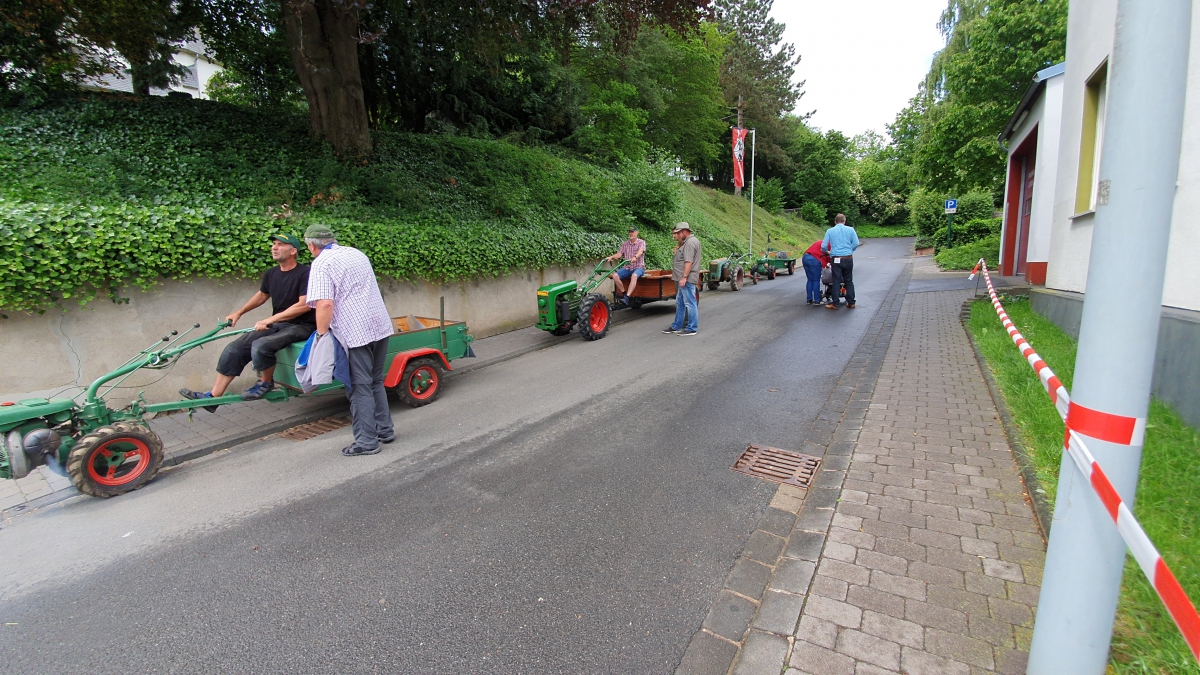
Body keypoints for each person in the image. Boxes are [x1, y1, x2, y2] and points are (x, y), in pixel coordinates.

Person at [180, 234, 316, 409]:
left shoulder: (305, 273)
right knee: (234, 348)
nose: (274, 247)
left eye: (280, 244)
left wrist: (269, 319)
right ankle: (213, 397)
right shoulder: (271, 273)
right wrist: (239, 312)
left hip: (302, 325)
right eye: (274, 244)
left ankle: (266, 383)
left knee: (262, 345)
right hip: (280, 324)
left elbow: (304, 305)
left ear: (293, 251)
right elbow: (261, 296)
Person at [303, 224, 397, 457]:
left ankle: (366, 442)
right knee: (375, 381)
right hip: (379, 325)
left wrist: (321, 335)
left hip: (356, 332)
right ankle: (384, 430)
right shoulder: (356, 253)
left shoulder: (321, 263)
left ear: (311, 245)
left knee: (358, 387)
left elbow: (324, 303)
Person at [663, 222, 701, 336]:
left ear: (685, 231)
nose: (677, 235)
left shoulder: (690, 243)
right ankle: (677, 326)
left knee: (690, 303)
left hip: (687, 279)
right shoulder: (688, 242)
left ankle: (692, 328)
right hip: (683, 279)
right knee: (680, 302)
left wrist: (684, 277)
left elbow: (688, 262)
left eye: (678, 232)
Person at [821, 214, 860, 309]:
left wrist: (828, 252)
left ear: (835, 221)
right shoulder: (850, 230)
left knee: (836, 280)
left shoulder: (830, 231)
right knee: (848, 280)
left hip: (836, 258)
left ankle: (835, 303)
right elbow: (856, 243)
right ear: (844, 221)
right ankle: (851, 302)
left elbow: (823, 246)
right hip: (848, 258)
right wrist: (849, 250)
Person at [607, 226, 646, 304]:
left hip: (639, 267)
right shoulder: (625, 244)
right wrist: (611, 257)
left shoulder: (641, 242)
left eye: (632, 232)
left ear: (637, 232)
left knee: (634, 275)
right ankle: (624, 293)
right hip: (628, 268)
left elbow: (640, 251)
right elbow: (619, 254)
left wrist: (635, 257)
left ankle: (627, 297)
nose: (630, 233)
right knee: (615, 276)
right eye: (629, 232)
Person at [802, 238, 830, 305]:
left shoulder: (819, 242)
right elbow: (830, 257)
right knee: (815, 280)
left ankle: (809, 299)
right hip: (814, 259)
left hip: (805, 257)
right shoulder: (830, 245)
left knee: (810, 280)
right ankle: (817, 300)